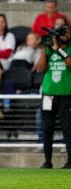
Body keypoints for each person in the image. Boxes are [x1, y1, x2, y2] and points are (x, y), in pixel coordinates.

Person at [36, 24, 71, 169]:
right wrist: (45, 50)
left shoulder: (69, 49)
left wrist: (59, 50)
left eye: (68, 33)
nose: (66, 36)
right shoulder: (49, 49)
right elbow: (40, 69)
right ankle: (47, 161)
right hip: (48, 94)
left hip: (66, 95)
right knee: (47, 128)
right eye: (64, 33)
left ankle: (70, 161)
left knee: (68, 128)